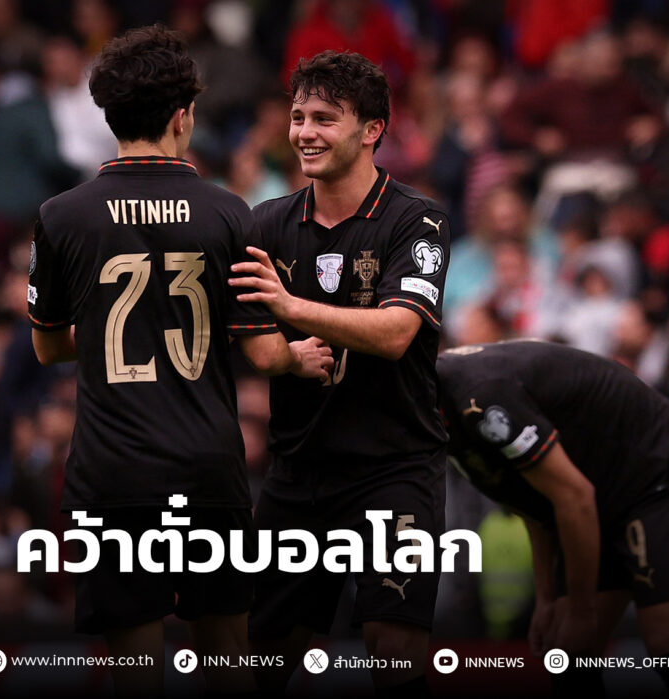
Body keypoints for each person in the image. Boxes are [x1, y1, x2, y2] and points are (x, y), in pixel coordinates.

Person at [28, 26, 332, 696]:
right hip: (206, 464)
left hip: (113, 470)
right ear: (182, 116)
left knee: (134, 668)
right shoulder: (229, 212)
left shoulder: (60, 215)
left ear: (110, 116)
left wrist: (118, 327)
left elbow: (48, 346)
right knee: (226, 654)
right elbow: (262, 350)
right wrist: (297, 357)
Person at [230, 50, 451, 694]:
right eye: (298, 117)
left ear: (372, 130)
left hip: (394, 468)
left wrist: (291, 307)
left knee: (394, 650)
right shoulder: (265, 223)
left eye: (325, 119)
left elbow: (397, 332)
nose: (305, 132)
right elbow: (249, 339)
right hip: (297, 471)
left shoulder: (418, 219)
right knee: (263, 658)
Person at [437, 340, 669, 698]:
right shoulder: (438, 415)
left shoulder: (479, 396)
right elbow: (534, 504)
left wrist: (582, 612)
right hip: (592, 487)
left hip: (657, 469)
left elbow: (574, 497)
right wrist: (546, 599)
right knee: (567, 652)